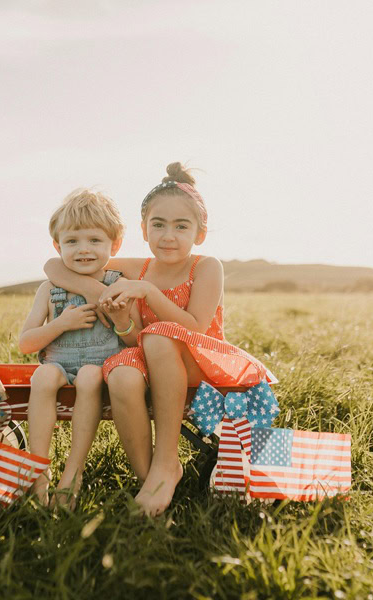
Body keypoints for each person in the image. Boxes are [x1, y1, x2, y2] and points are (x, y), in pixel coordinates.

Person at [44, 163, 270, 515]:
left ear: (200, 233)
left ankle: (167, 460)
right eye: (158, 224)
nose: (169, 235)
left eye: (182, 226)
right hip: (150, 361)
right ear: (143, 230)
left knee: (161, 336)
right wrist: (114, 313)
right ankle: (148, 476)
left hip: (200, 362)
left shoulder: (206, 266)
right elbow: (54, 267)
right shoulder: (139, 266)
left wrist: (148, 292)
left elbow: (194, 327)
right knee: (120, 372)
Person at [18, 188, 137, 507]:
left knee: (88, 376)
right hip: (57, 366)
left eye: (94, 241)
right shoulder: (49, 288)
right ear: (57, 246)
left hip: (100, 370)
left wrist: (121, 317)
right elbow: (25, 343)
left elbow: (134, 341)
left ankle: (73, 472)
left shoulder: (120, 284)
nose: (83, 250)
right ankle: (37, 473)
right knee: (42, 378)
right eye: (72, 242)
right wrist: (60, 324)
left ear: (115, 245)